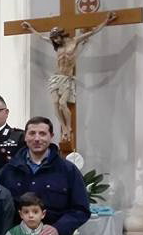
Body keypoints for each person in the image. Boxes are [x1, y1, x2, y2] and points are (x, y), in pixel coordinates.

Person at [21, 13, 116, 142]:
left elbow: (93, 32)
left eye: (56, 38)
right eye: (53, 39)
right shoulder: (57, 46)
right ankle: (64, 127)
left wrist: (106, 21)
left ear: (61, 35)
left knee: (62, 104)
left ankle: (69, 127)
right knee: (55, 103)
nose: (55, 41)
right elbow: (41, 37)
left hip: (66, 78)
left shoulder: (74, 41)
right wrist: (30, 28)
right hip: (56, 78)